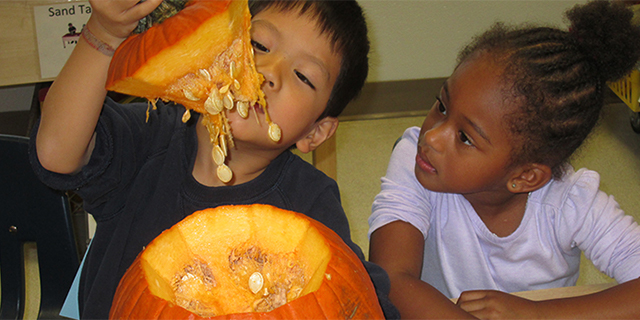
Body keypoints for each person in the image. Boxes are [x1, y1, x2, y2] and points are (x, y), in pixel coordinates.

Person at [30, 0, 399, 319]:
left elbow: (356, 293)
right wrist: (104, 35)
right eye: (258, 45)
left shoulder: (311, 200)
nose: (268, 73)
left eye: (303, 76)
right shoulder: (149, 137)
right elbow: (56, 153)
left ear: (314, 133)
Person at [368, 1, 640, 319]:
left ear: (525, 177)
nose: (432, 137)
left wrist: (538, 314)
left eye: (465, 137)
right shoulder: (415, 159)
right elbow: (391, 279)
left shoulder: (572, 203)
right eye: (442, 105)